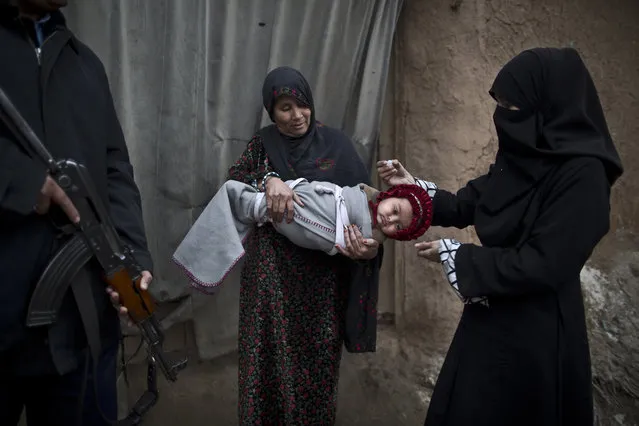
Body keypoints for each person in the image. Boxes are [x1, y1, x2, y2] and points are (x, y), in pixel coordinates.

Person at [378, 47, 623, 426]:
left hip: (537, 336)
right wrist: (415, 202)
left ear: (546, 106)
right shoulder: (526, 155)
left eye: (513, 107)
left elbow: (545, 264)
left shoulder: (584, 177)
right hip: (489, 321)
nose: (503, 117)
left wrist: (461, 258)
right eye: (501, 105)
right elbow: (472, 202)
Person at [0, 1, 153, 425]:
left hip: (81, 326)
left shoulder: (85, 64)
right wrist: (22, 183)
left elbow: (115, 170)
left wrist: (133, 259)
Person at [225, 66, 383, 424]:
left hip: (321, 283)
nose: (297, 116)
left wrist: (368, 248)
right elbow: (234, 181)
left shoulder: (337, 146)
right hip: (271, 283)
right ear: (271, 111)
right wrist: (269, 178)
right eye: (284, 108)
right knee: (267, 362)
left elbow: (368, 210)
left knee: (316, 365)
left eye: (302, 106)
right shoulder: (263, 144)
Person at [172, 178, 432, 291]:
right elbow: (345, 192)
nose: (390, 219)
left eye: (397, 227)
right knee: (235, 199)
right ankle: (197, 265)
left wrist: (369, 250)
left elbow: (363, 247)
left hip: (315, 293)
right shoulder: (360, 195)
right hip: (269, 277)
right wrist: (274, 181)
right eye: (395, 210)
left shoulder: (372, 237)